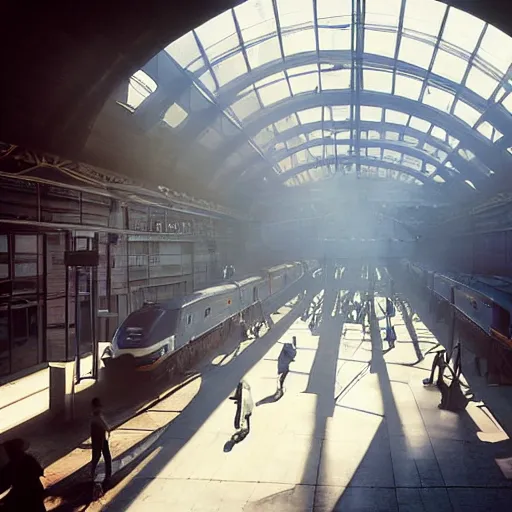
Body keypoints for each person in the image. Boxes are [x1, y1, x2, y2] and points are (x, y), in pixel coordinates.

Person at [0, 438, 45, 511]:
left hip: (26, 496)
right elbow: (40, 472)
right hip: (35, 492)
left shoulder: (11, 466)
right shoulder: (28, 458)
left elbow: (4, 484)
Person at [90, 397, 112, 485]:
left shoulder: (93, 417)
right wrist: (108, 430)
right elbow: (105, 426)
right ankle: (108, 475)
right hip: (101, 440)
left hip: (97, 439)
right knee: (106, 456)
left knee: (96, 456)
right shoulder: (97, 417)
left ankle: (92, 473)